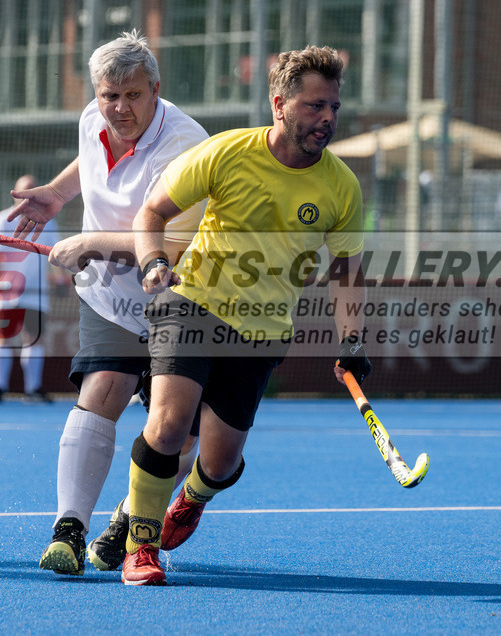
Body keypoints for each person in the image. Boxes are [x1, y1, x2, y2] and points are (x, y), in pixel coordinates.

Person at [122, 45, 371, 586]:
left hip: (262, 328)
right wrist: (153, 260)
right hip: (192, 304)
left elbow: (346, 271)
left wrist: (351, 339)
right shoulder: (226, 152)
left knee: (220, 463)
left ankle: (192, 496)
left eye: (333, 107)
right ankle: (140, 545)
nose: (326, 118)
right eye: (313, 107)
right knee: (167, 425)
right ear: (279, 104)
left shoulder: (341, 185)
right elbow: (152, 212)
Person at [7, 30, 208, 577]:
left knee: (179, 433)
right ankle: (67, 529)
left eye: (133, 96)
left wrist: (92, 243)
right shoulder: (91, 120)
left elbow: (173, 242)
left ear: (156, 90)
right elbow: (88, 163)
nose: (119, 109)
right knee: (104, 387)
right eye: (108, 95)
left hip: (178, 297)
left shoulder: (185, 146)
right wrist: (56, 193)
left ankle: (125, 517)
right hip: (110, 296)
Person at [0, 175, 60, 403]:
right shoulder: (2, 219)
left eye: (32, 190)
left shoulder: (49, 221)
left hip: (36, 292)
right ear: (15, 193)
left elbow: (54, 255)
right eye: (23, 191)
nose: (28, 195)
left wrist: (59, 279)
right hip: (8, 292)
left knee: (34, 338)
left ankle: (33, 389)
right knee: (3, 337)